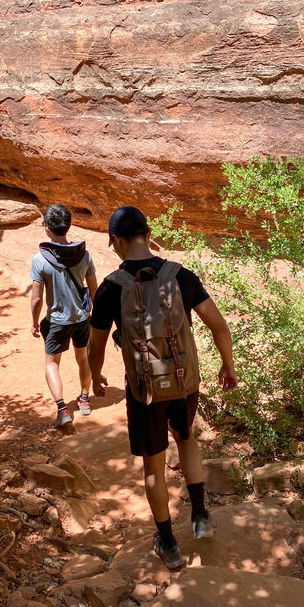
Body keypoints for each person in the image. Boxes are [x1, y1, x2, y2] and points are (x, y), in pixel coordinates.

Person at [88, 205, 238, 569]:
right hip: (184, 381)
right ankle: (201, 517)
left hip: (144, 389)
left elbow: (95, 346)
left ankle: (168, 543)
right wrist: (227, 365)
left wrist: (95, 378)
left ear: (115, 241)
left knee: (153, 464)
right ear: (148, 233)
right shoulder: (180, 275)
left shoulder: (111, 287)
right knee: (186, 439)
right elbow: (219, 326)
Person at [31, 203, 98, 428]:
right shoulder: (84, 255)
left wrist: (34, 322)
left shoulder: (40, 260)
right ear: (68, 226)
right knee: (83, 358)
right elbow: (94, 290)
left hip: (57, 321)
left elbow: (37, 299)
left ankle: (62, 410)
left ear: (48, 229)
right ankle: (85, 399)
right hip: (81, 319)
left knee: (52, 363)